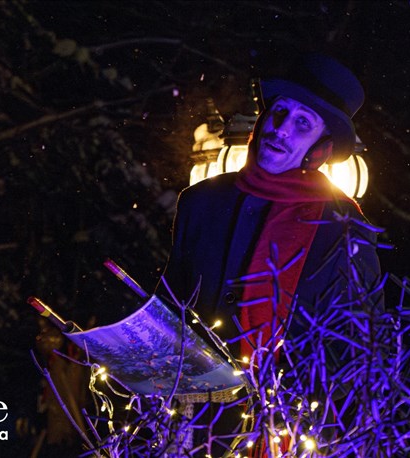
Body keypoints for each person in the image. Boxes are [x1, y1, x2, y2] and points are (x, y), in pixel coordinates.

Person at [159, 52, 382, 362]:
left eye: (303, 122)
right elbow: (168, 312)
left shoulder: (343, 229)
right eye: (280, 111)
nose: (281, 129)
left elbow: (358, 352)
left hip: (282, 393)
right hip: (190, 391)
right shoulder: (202, 201)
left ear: (321, 146)